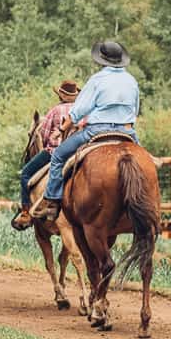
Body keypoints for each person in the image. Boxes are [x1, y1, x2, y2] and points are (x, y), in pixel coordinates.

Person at [31, 41, 140, 222]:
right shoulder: (131, 81)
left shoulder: (97, 80)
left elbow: (79, 110)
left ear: (102, 60)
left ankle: (52, 202)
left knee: (58, 156)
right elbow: (134, 110)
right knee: (148, 162)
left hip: (97, 131)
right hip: (127, 132)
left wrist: (62, 129)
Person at [13, 80, 80, 230]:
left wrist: (47, 143)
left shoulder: (55, 110)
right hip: (77, 152)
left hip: (54, 152)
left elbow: (43, 133)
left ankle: (25, 212)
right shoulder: (81, 111)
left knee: (25, 174)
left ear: (61, 94)